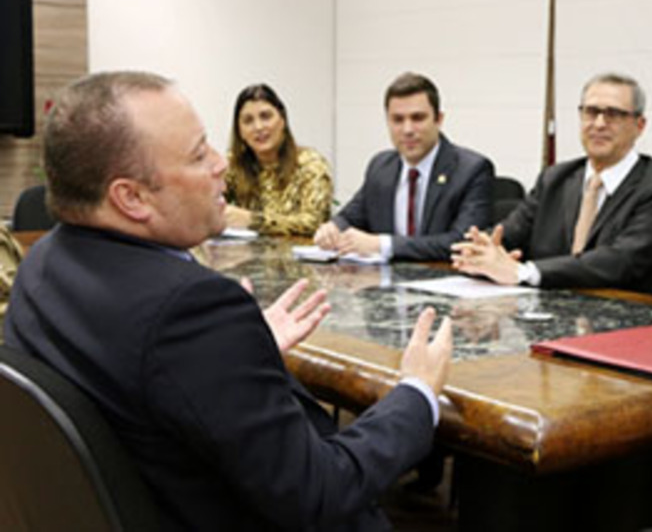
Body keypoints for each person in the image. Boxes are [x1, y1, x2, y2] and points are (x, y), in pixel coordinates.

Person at [5, 71, 454, 531]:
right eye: (199, 154)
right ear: (132, 197)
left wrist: (239, 354)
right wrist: (415, 394)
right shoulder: (189, 308)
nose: (221, 163)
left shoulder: (41, 264)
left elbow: (150, 381)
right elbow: (320, 492)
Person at [452, 73, 652, 294]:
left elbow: (621, 261)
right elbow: (510, 232)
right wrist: (480, 250)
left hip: (616, 314)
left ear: (639, 125)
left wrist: (523, 272)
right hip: (543, 311)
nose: (598, 123)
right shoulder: (555, 177)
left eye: (613, 114)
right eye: (591, 111)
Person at [314, 72, 494, 261]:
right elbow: (350, 217)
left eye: (417, 118)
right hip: (381, 285)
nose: (407, 130)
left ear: (439, 119)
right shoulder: (380, 166)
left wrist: (383, 245)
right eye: (397, 120)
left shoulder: (472, 169)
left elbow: (462, 243)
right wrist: (332, 228)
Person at [223, 83, 333, 236]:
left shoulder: (310, 164)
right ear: (240, 132)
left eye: (266, 117)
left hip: (299, 256)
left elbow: (314, 222)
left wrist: (254, 221)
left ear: (282, 121)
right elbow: (206, 206)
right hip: (247, 256)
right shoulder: (234, 165)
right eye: (248, 121)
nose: (259, 127)